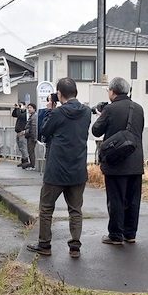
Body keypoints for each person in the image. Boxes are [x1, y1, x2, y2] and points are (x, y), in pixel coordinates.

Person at [26, 77, 91, 258]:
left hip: (56, 169)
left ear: (59, 94)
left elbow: (43, 132)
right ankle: (75, 247)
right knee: (75, 209)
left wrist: (47, 111)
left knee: (47, 207)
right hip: (78, 169)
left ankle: (44, 244)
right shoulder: (86, 112)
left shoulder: (57, 113)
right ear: (76, 93)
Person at [92, 77, 145, 245]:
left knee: (116, 198)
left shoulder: (110, 109)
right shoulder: (139, 109)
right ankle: (130, 233)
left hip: (116, 161)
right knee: (133, 199)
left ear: (112, 91)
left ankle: (115, 234)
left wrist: (101, 116)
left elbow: (96, 131)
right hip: (135, 160)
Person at [11, 102, 29, 167]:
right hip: (18, 132)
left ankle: (26, 161)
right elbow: (13, 115)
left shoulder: (26, 114)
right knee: (20, 147)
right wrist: (16, 109)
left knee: (23, 147)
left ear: (25, 106)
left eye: (21, 105)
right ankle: (23, 160)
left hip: (23, 133)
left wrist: (18, 109)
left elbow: (20, 116)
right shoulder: (20, 112)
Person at [23, 103, 38, 170]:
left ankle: (33, 165)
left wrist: (34, 137)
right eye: (28, 108)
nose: (29, 109)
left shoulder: (34, 116)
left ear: (34, 109)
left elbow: (34, 127)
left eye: (30, 108)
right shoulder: (32, 116)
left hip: (31, 136)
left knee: (31, 151)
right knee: (30, 151)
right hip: (30, 135)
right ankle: (32, 164)